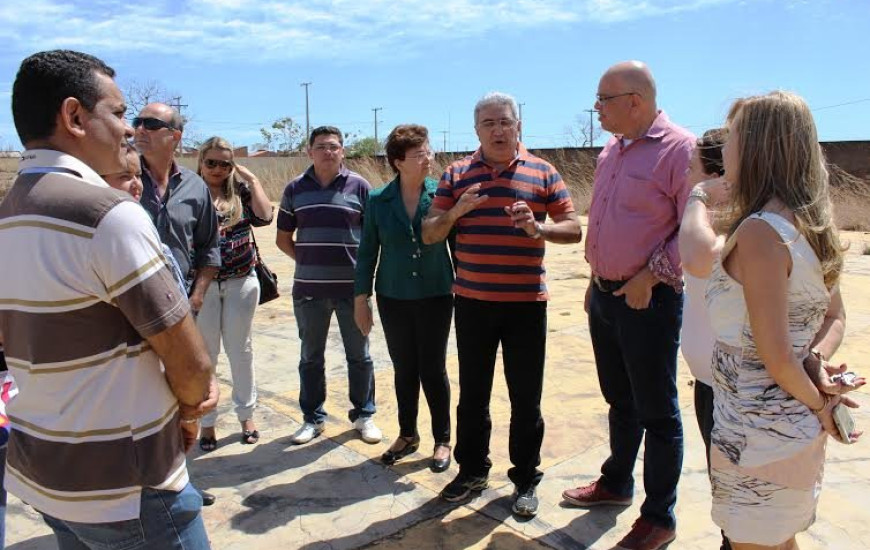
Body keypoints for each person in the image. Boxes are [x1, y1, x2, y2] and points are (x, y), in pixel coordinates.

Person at [0, 49, 216, 548]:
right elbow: (191, 365)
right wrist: (188, 413)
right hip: (127, 489)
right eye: (118, 113)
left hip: (46, 477)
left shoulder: (9, 214)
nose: (129, 130)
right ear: (74, 117)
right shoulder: (107, 215)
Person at [685, 91, 861, 550]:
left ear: (758, 147)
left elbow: (777, 357)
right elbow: (834, 318)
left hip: (758, 434)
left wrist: (821, 405)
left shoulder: (762, 232)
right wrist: (816, 364)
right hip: (781, 430)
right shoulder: (811, 224)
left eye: (732, 138)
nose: (723, 151)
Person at [422, 92, 582, 517]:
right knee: (473, 396)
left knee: (525, 399)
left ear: (518, 126)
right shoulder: (456, 174)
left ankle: (526, 478)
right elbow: (429, 233)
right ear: (476, 130)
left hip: (526, 306)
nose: (497, 130)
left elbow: (573, 228)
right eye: (488, 123)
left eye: (504, 122)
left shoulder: (543, 172)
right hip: (473, 304)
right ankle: (471, 471)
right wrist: (457, 210)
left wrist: (539, 229)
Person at [561, 61, 694, 550]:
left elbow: (699, 227)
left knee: (658, 411)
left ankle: (659, 517)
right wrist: (597, 279)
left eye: (604, 100)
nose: (596, 109)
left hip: (649, 300)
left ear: (634, 101)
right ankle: (616, 483)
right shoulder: (612, 149)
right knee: (620, 399)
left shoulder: (681, 150)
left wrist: (650, 275)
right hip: (606, 295)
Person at [354, 124, 454, 472]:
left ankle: (443, 439)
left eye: (429, 151)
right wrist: (360, 298)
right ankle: (408, 434)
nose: (428, 158)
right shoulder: (379, 200)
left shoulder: (442, 194)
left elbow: (457, 245)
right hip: (393, 295)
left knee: (433, 367)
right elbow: (367, 252)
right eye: (419, 154)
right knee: (404, 368)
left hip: (436, 293)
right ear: (398, 161)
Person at [276, 126, 381, 445]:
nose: (328, 152)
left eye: (334, 146)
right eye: (321, 146)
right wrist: (308, 261)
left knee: (359, 356)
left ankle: (364, 415)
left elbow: (372, 240)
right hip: (309, 292)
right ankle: (312, 419)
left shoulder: (360, 187)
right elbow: (283, 239)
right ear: (310, 151)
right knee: (311, 357)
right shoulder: (295, 189)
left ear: (343, 151)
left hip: (354, 292)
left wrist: (362, 282)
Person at [195, 137, 273, 450]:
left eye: (225, 164)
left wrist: (251, 179)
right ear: (201, 161)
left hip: (242, 280)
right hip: (203, 286)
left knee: (241, 352)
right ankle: (208, 423)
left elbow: (266, 217)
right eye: (211, 162)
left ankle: (246, 416)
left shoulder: (240, 192)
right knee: (207, 356)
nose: (217, 169)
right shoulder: (189, 192)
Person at [134, 102, 220, 315]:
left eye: (151, 124)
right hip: (130, 302)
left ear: (176, 136)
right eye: (137, 123)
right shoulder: (120, 180)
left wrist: (197, 297)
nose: (140, 129)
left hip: (180, 303)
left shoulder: (195, 186)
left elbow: (209, 247)